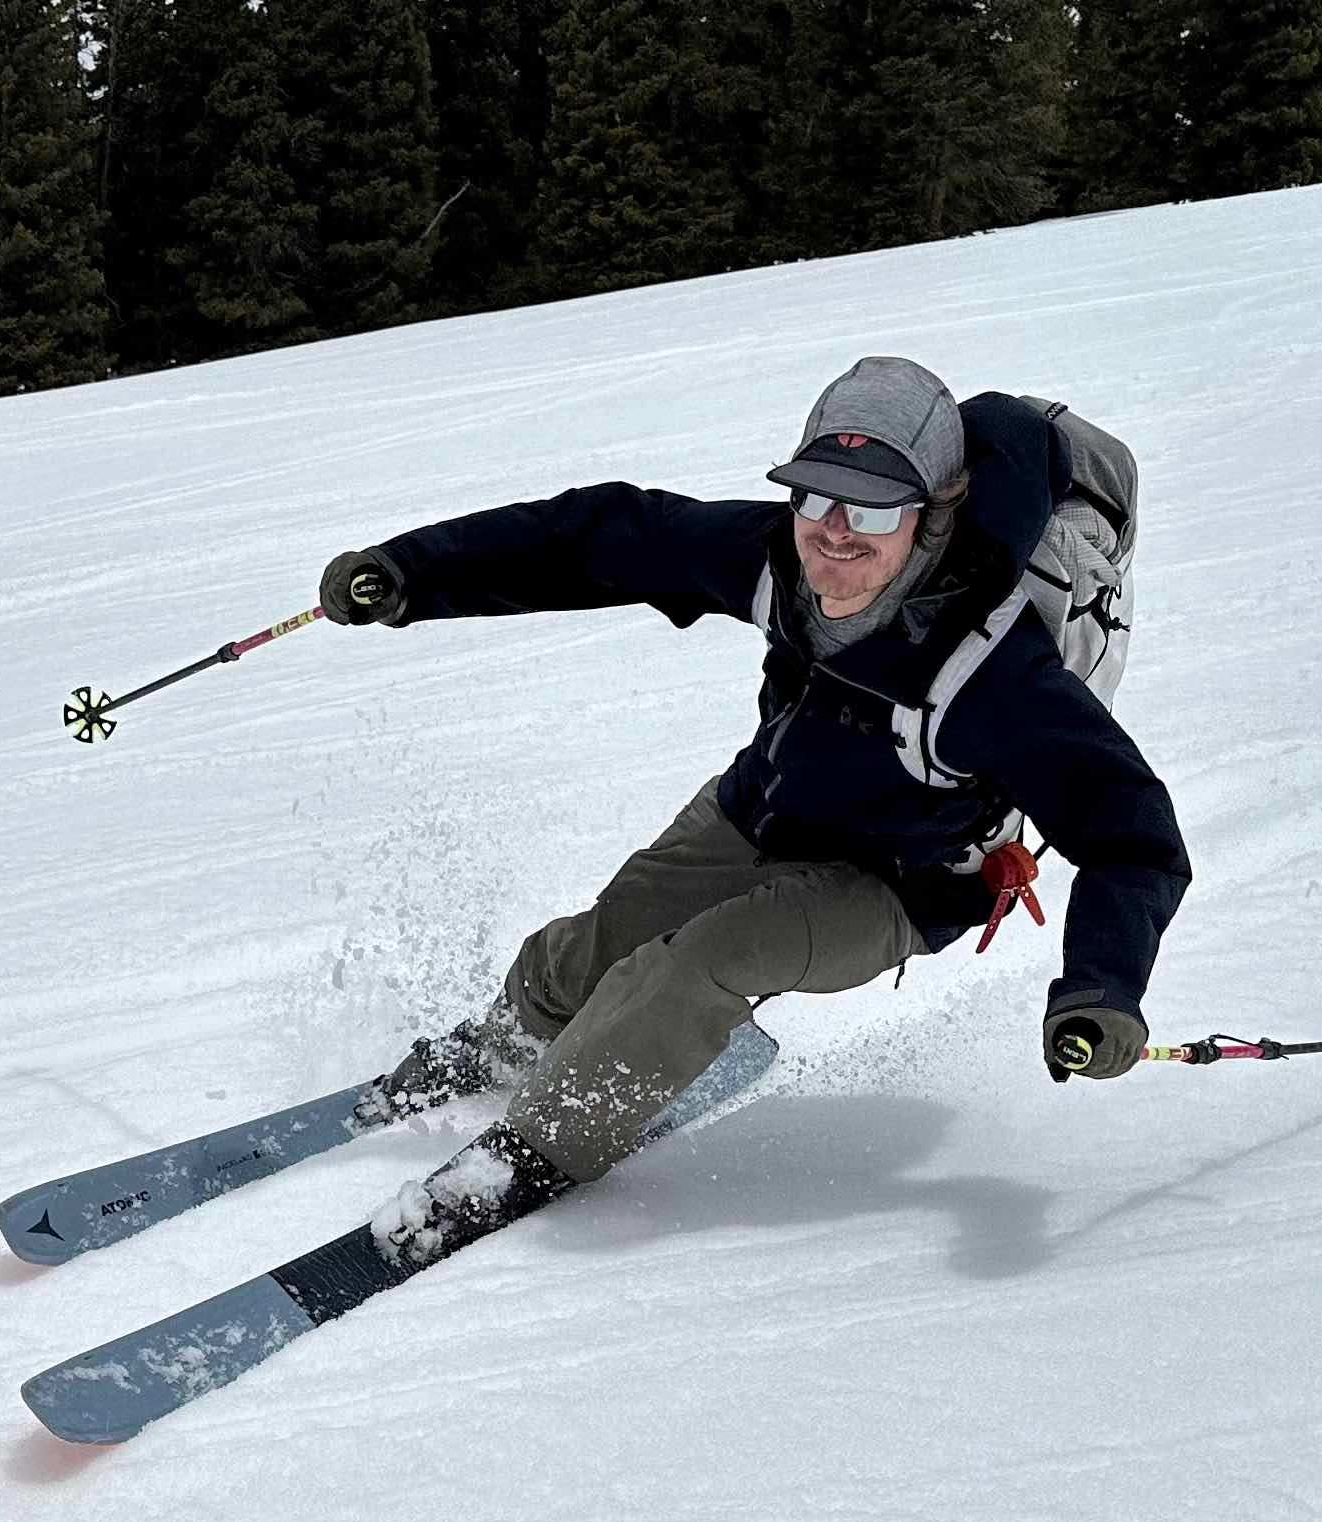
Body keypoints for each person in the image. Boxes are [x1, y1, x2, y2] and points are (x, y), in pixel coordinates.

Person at [312, 354, 1192, 1272]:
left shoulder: (996, 677)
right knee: (601, 945)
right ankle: (505, 1044)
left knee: (696, 965)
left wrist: (1102, 987)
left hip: (898, 884)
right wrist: (412, 572)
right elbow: (603, 537)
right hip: (765, 807)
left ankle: (529, 1153)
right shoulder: (778, 558)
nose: (836, 533)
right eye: (818, 498)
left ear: (934, 513)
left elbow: (1133, 838)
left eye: (875, 509)